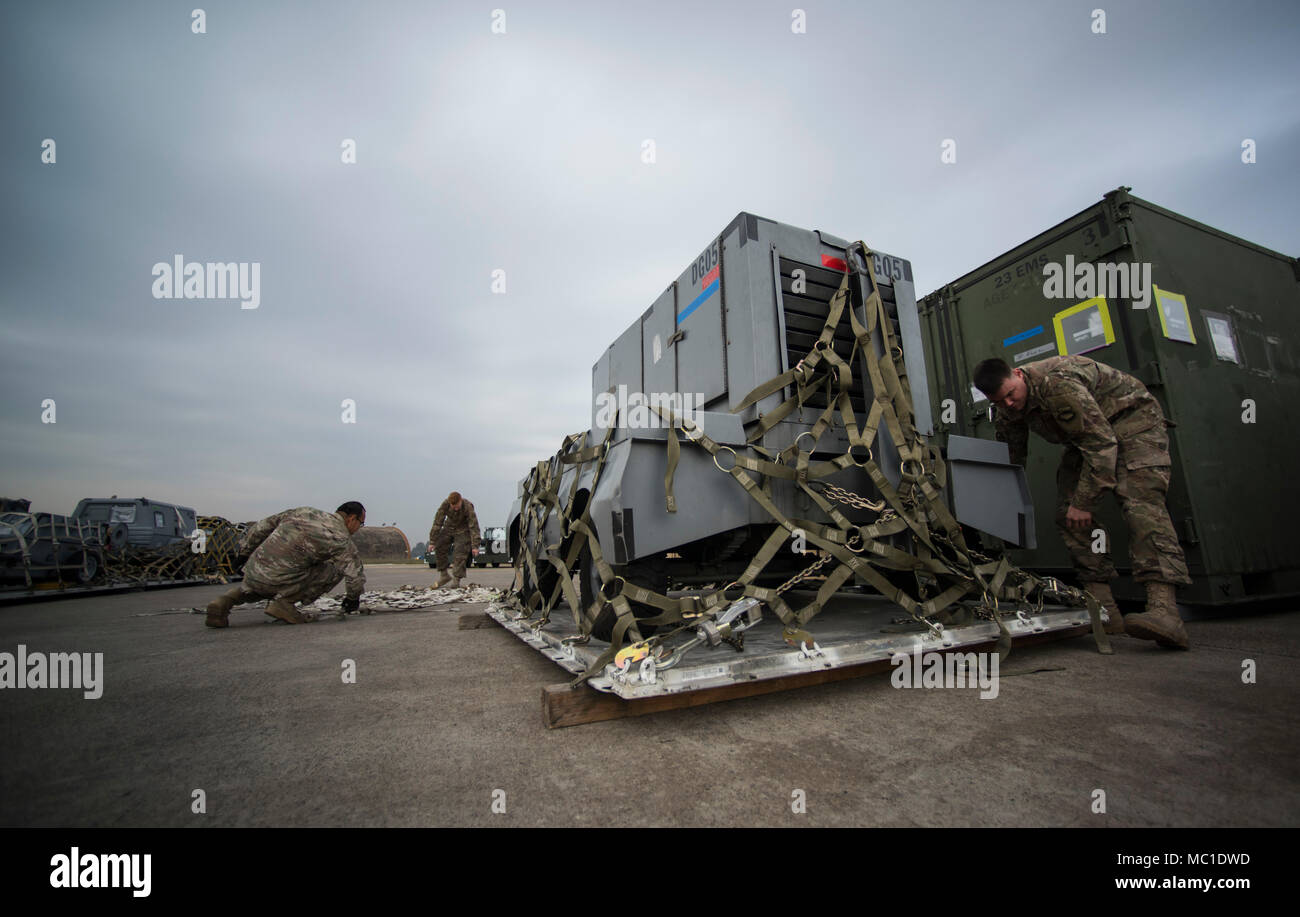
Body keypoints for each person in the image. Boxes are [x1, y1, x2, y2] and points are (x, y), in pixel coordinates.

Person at [972, 355, 1191, 649]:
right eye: (1000, 401)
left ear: (1018, 375)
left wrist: (1085, 502)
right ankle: (1103, 610)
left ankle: (1165, 611)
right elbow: (1011, 458)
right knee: (1067, 514)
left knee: (1141, 508)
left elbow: (1102, 446)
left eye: (1011, 394)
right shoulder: (1008, 408)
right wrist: (996, 502)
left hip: (1133, 426)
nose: (1009, 404)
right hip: (1088, 440)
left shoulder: (1058, 384)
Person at [204, 502, 367, 627]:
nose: (360, 527)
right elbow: (354, 574)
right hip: (280, 580)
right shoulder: (341, 539)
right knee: (335, 569)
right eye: (361, 523)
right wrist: (353, 599)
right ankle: (285, 603)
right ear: (351, 519)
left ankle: (224, 602)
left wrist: (244, 552)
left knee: (264, 579)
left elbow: (261, 526)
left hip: (254, 572)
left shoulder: (303, 511)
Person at [429, 491, 479, 588]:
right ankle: (444, 575)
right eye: (453, 506)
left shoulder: (468, 507)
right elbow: (437, 523)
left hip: (463, 530)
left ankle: (456, 580)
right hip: (449, 527)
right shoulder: (445, 505)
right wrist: (432, 541)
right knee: (439, 546)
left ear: (460, 501)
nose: (455, 508)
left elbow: (474, 527)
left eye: (457, 506)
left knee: (460, 553)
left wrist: (475, 546)